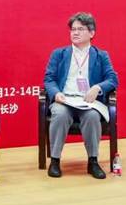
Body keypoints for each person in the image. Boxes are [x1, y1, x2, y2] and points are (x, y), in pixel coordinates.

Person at [43, 12, 118, 179]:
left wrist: (97, 87)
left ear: (92, 33)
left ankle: (93, 161)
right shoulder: (59, 54)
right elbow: (49, 78)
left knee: (92, 116)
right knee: (60, 114)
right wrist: (56, 93)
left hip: (88, 102)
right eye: (73, 29)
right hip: (64, 100)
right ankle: (55, 160)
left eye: (80, 29)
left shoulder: (101, 55)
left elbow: (112, 79)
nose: (75, 33)